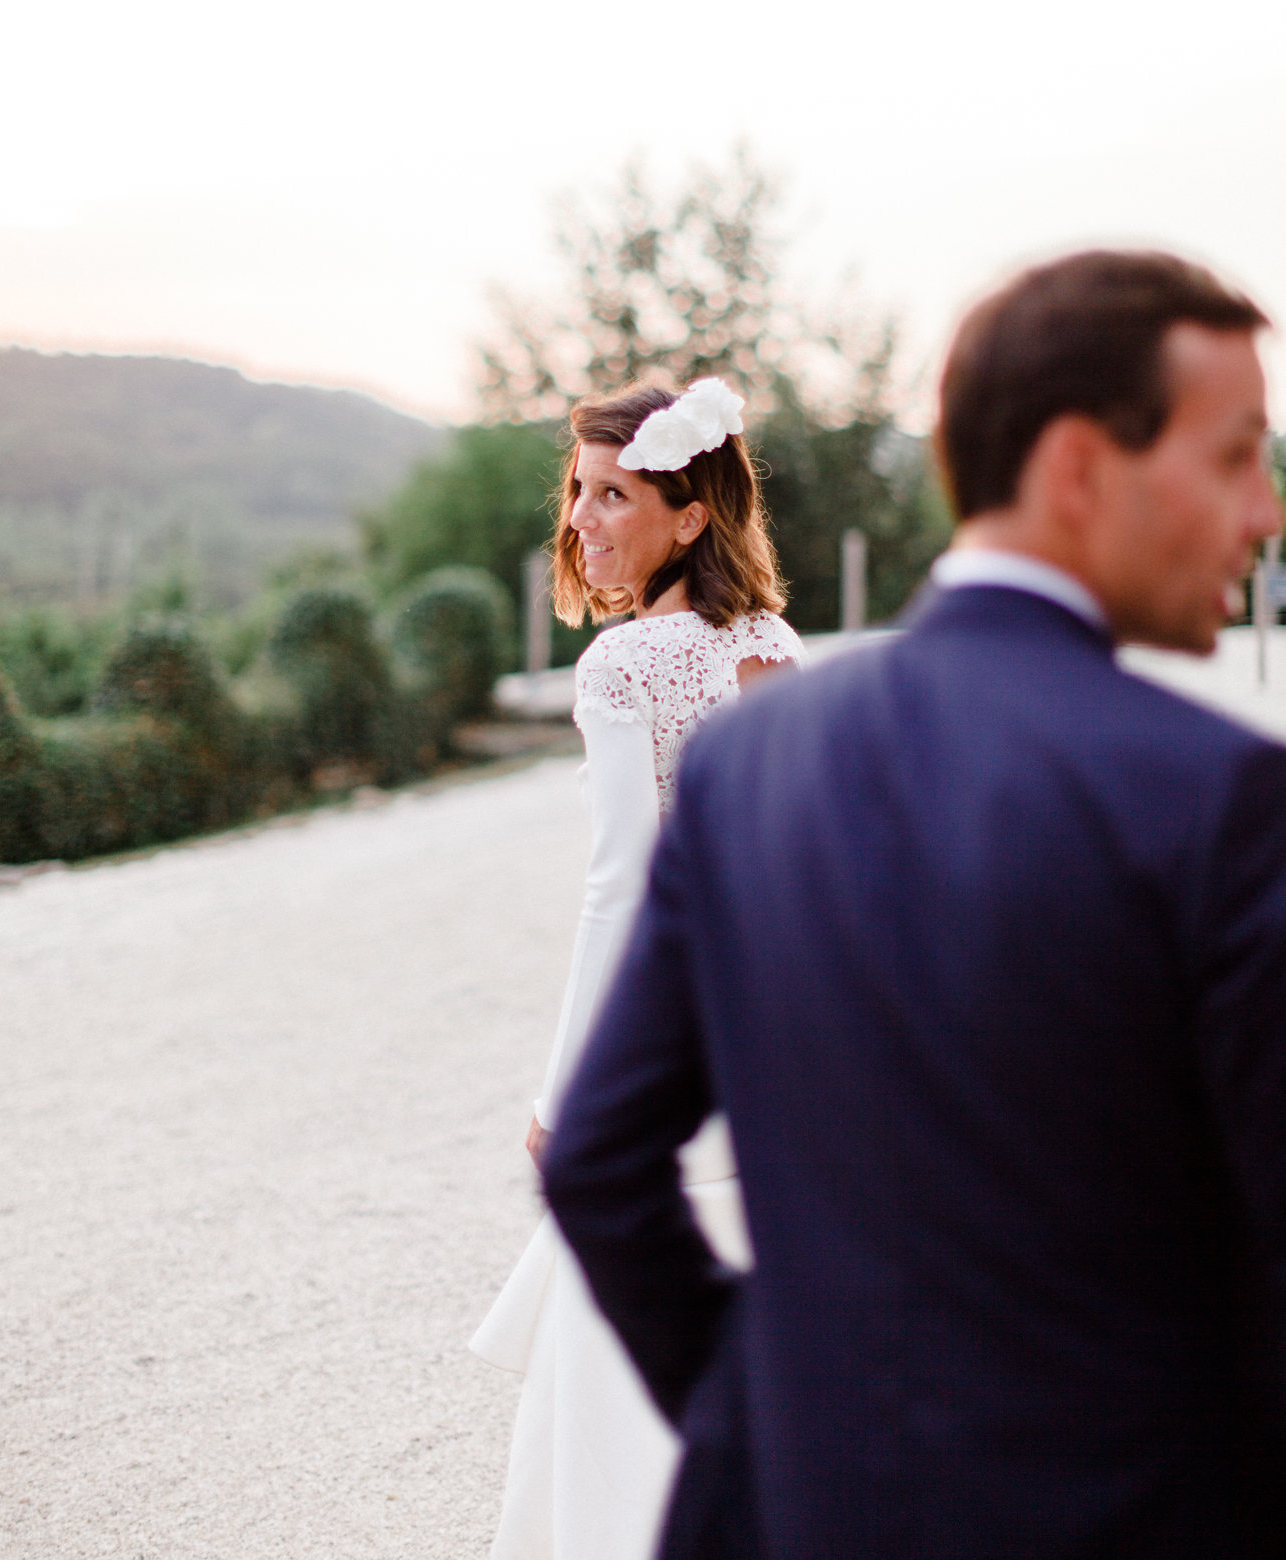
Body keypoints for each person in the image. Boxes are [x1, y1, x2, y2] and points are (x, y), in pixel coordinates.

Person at [544, 250, 1286, 1560]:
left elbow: (600, 1167)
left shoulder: (744, 765)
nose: (1268, 511)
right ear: (1075, 467)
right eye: (1234, 456)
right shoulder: (1220, 799)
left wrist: (753, 1415)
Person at [471, 376, 803, 1560]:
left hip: (679, 1036)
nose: (582, 518)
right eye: (577, 491)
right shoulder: (768, 643)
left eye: (614, 493)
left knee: (623, 1316)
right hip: (776, 1037)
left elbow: (619, 888)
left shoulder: (622, 668)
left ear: (691, 513)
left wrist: (573, 1094)